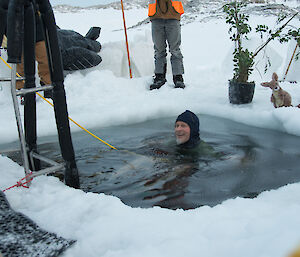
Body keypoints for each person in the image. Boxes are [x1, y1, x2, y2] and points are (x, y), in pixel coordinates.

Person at [148, 0, 185, 90]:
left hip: (173, 15)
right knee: (159, 50)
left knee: (175, 50)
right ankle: (159, 77)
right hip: (156, 17)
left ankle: (178, 77)